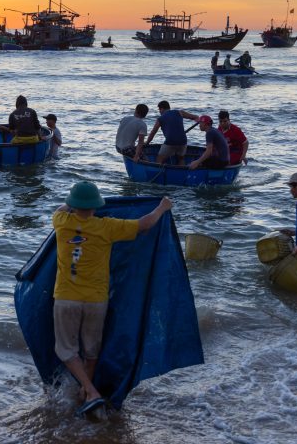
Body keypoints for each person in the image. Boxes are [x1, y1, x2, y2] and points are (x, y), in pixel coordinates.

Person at [52, 181, 173, 415]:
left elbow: (61, 208)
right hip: (97, 300)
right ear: (96, 206)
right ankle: (86, 394)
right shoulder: (107, 227)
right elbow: (144, 225)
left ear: (74, 205)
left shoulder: (61, 222)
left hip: (66, 298)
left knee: (66, 351)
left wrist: (71, 201)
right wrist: (162, 207)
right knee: (91, 352)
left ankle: (90, 391)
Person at [145, 101, 199, 165]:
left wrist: (147, 143)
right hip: (183, 141)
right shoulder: (180, 112)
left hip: (170, 142)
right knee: (181, 158)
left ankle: (158, 172)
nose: (159, 112)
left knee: (159, 159)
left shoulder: (160, 118)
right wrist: (199, 120)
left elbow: (153, 133)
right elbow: (196, 117)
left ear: (162, 109)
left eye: (159, 110)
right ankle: (181, 172)